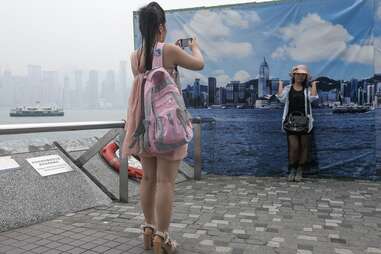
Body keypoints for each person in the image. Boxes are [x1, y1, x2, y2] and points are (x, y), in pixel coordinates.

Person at [121, 2, 204, 254]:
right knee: (166, 182)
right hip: (168, 129)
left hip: (144, 128)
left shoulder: (135, 57)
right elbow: (199, 64)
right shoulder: (168, 50)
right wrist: (194, 47)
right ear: (160, 27)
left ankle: (148, 228)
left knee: (148, 178)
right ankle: (162, 237)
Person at [276, 65, 319, 182]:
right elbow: (280, 98)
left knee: (304, 147)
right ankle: (292, 169)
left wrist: (314, 85)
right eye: (298, 74)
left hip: (305, 121)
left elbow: (313, 98)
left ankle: (300, 170)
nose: (300, 76)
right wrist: (280, 84)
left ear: (305, 77)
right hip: (290, 121)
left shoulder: (307, 90)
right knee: (294, 148)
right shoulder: (288, 88)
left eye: (303, 75)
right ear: (294, 75)